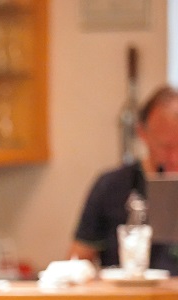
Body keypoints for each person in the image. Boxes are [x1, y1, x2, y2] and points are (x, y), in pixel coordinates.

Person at [70, 85, 178, 274]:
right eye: (166, 147)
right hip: (126, 291)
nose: (174, 157)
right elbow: (78, 260)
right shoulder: (111, 186)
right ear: (142, 133)